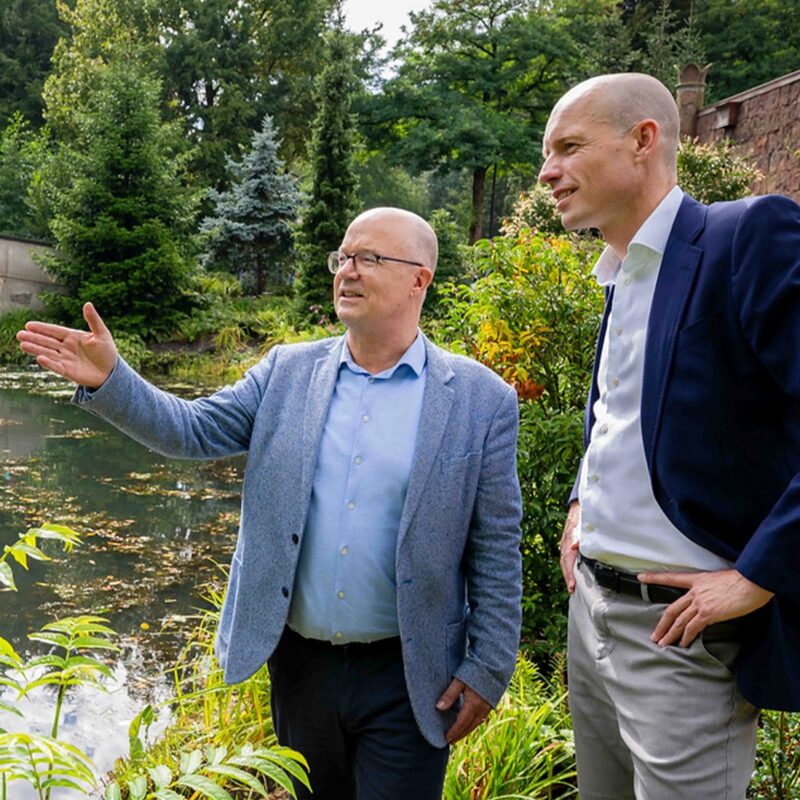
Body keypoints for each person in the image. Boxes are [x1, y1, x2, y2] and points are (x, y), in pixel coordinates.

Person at [17, 207, 522, 800]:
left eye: (369, 259)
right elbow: (192, 429)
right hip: (300, 668)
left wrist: (488, 665)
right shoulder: (287, 371)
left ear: (419, 279)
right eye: (343, 257)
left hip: (410, 675)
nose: (348, 272)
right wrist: (113, 380)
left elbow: (495, 547)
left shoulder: (481, 400)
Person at [538, 72, 800, 799]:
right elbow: (619, 413)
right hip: (590, 616)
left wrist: (757, 576)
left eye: (568, 147)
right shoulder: (621, 270)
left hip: (681, 642)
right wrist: (579, 507)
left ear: (643, 140)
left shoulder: (746, 237)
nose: (546, 172)